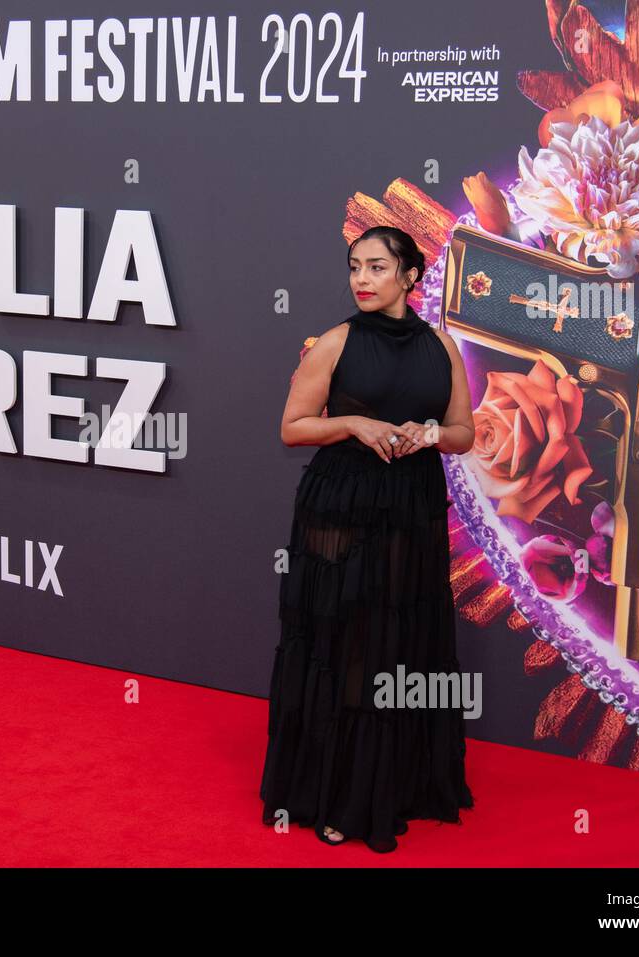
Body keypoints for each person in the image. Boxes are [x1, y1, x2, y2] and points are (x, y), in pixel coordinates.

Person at [260, 225, 476, 852]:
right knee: (345, 641)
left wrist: (428, 434)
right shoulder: (336, 342)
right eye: (355, 266)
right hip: (342, 503)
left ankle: (391, 786)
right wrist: (353, 421)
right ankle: (335, 793)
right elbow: (293, 428)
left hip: (411, 506)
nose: (361, 279)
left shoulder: (442, 347)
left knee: (396, 644)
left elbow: (464, 432)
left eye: (377, 267)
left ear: (410, 276)